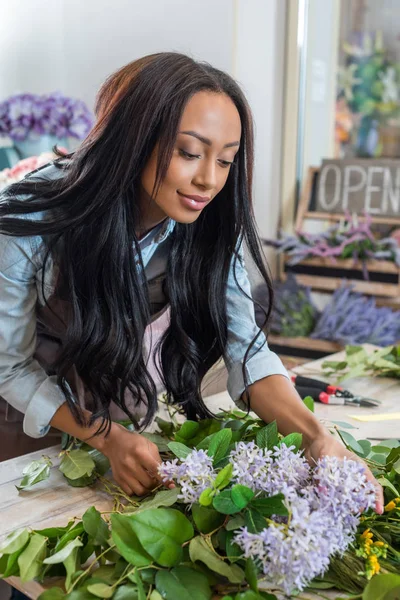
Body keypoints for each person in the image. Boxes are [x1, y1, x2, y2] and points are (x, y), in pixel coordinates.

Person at [0, 52, 383, 511]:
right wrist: (104, 436)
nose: (208, 180)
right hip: (23, 413)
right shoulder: (35, 214)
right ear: (134, 139)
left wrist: (317, 438)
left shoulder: (209, 224)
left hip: (112, 398)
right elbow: (9, 367)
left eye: (225, 161)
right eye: (189, 153)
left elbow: (249, 351)